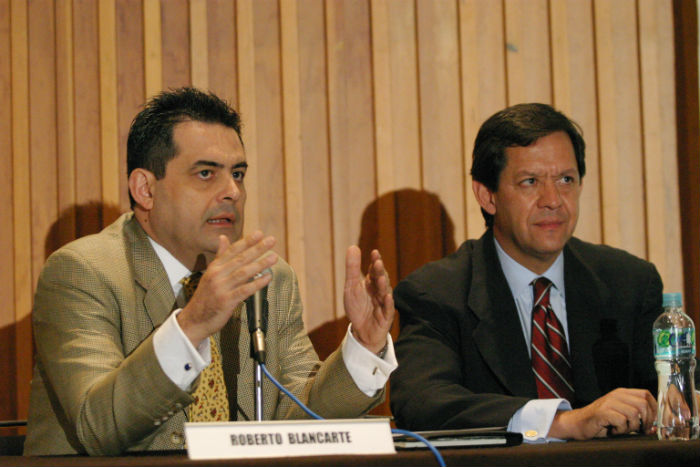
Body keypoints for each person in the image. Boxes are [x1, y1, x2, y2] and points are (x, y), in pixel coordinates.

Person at [24, 88, 396, 455]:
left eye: (238, 173)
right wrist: (193, 324)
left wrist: (362, 349)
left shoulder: (268, 278)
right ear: (145, 189)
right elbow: (97, 426)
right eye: (206, 173)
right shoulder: (82, 273)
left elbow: (298, 413)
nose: (232, 191)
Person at [389, 103, 664, 442]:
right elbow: (421, 403)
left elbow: (670, 398)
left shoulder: (630, 283)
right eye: (530, 182)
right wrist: (561, 422)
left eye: (566, 180)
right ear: (487, 196)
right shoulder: (437, 293)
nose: (553, 200)